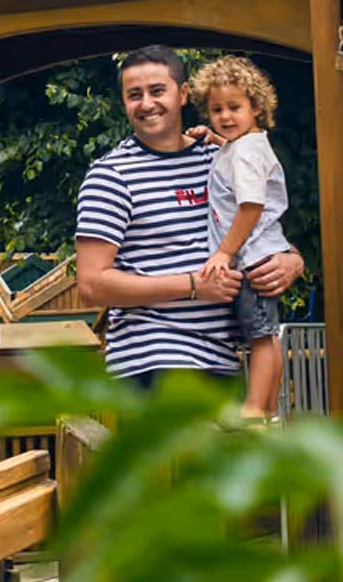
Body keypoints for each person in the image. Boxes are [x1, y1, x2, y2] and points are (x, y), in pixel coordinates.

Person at [74, 45, 303, 396]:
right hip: (155, 357)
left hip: (221, 357)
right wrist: (193, 286)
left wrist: (291, 260)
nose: (146, 103)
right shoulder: (111, 175)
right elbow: (92, 284)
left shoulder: (221, 157)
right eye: (134, 95)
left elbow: (259, 222)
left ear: (182, 95)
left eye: (157, 91)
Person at [187, 56, 294, 422]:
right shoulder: (245, 145)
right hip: (266, 252)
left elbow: (250, 206)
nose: (226, 117)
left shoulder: (245, 153)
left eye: (235, 107)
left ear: (257, 107)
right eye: (217, 110)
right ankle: (268, 410)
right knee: (269, 335)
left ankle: (251, 412)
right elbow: (233, 157)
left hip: (252, 259)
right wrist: (215, 140)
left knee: (259, 340)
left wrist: (223, 252)